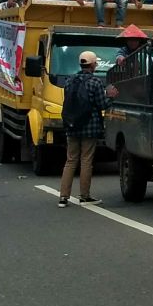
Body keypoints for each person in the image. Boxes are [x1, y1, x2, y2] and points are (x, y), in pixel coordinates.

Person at [58, 50, 117, 207]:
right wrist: (110, 95)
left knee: (70, 160)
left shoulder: (69, 81)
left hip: (71, 125)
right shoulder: (95, 82)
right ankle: (84, 195)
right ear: (92, 65)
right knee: (86, 161)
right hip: (89, 127)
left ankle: (63, 196)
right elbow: (102, 104)